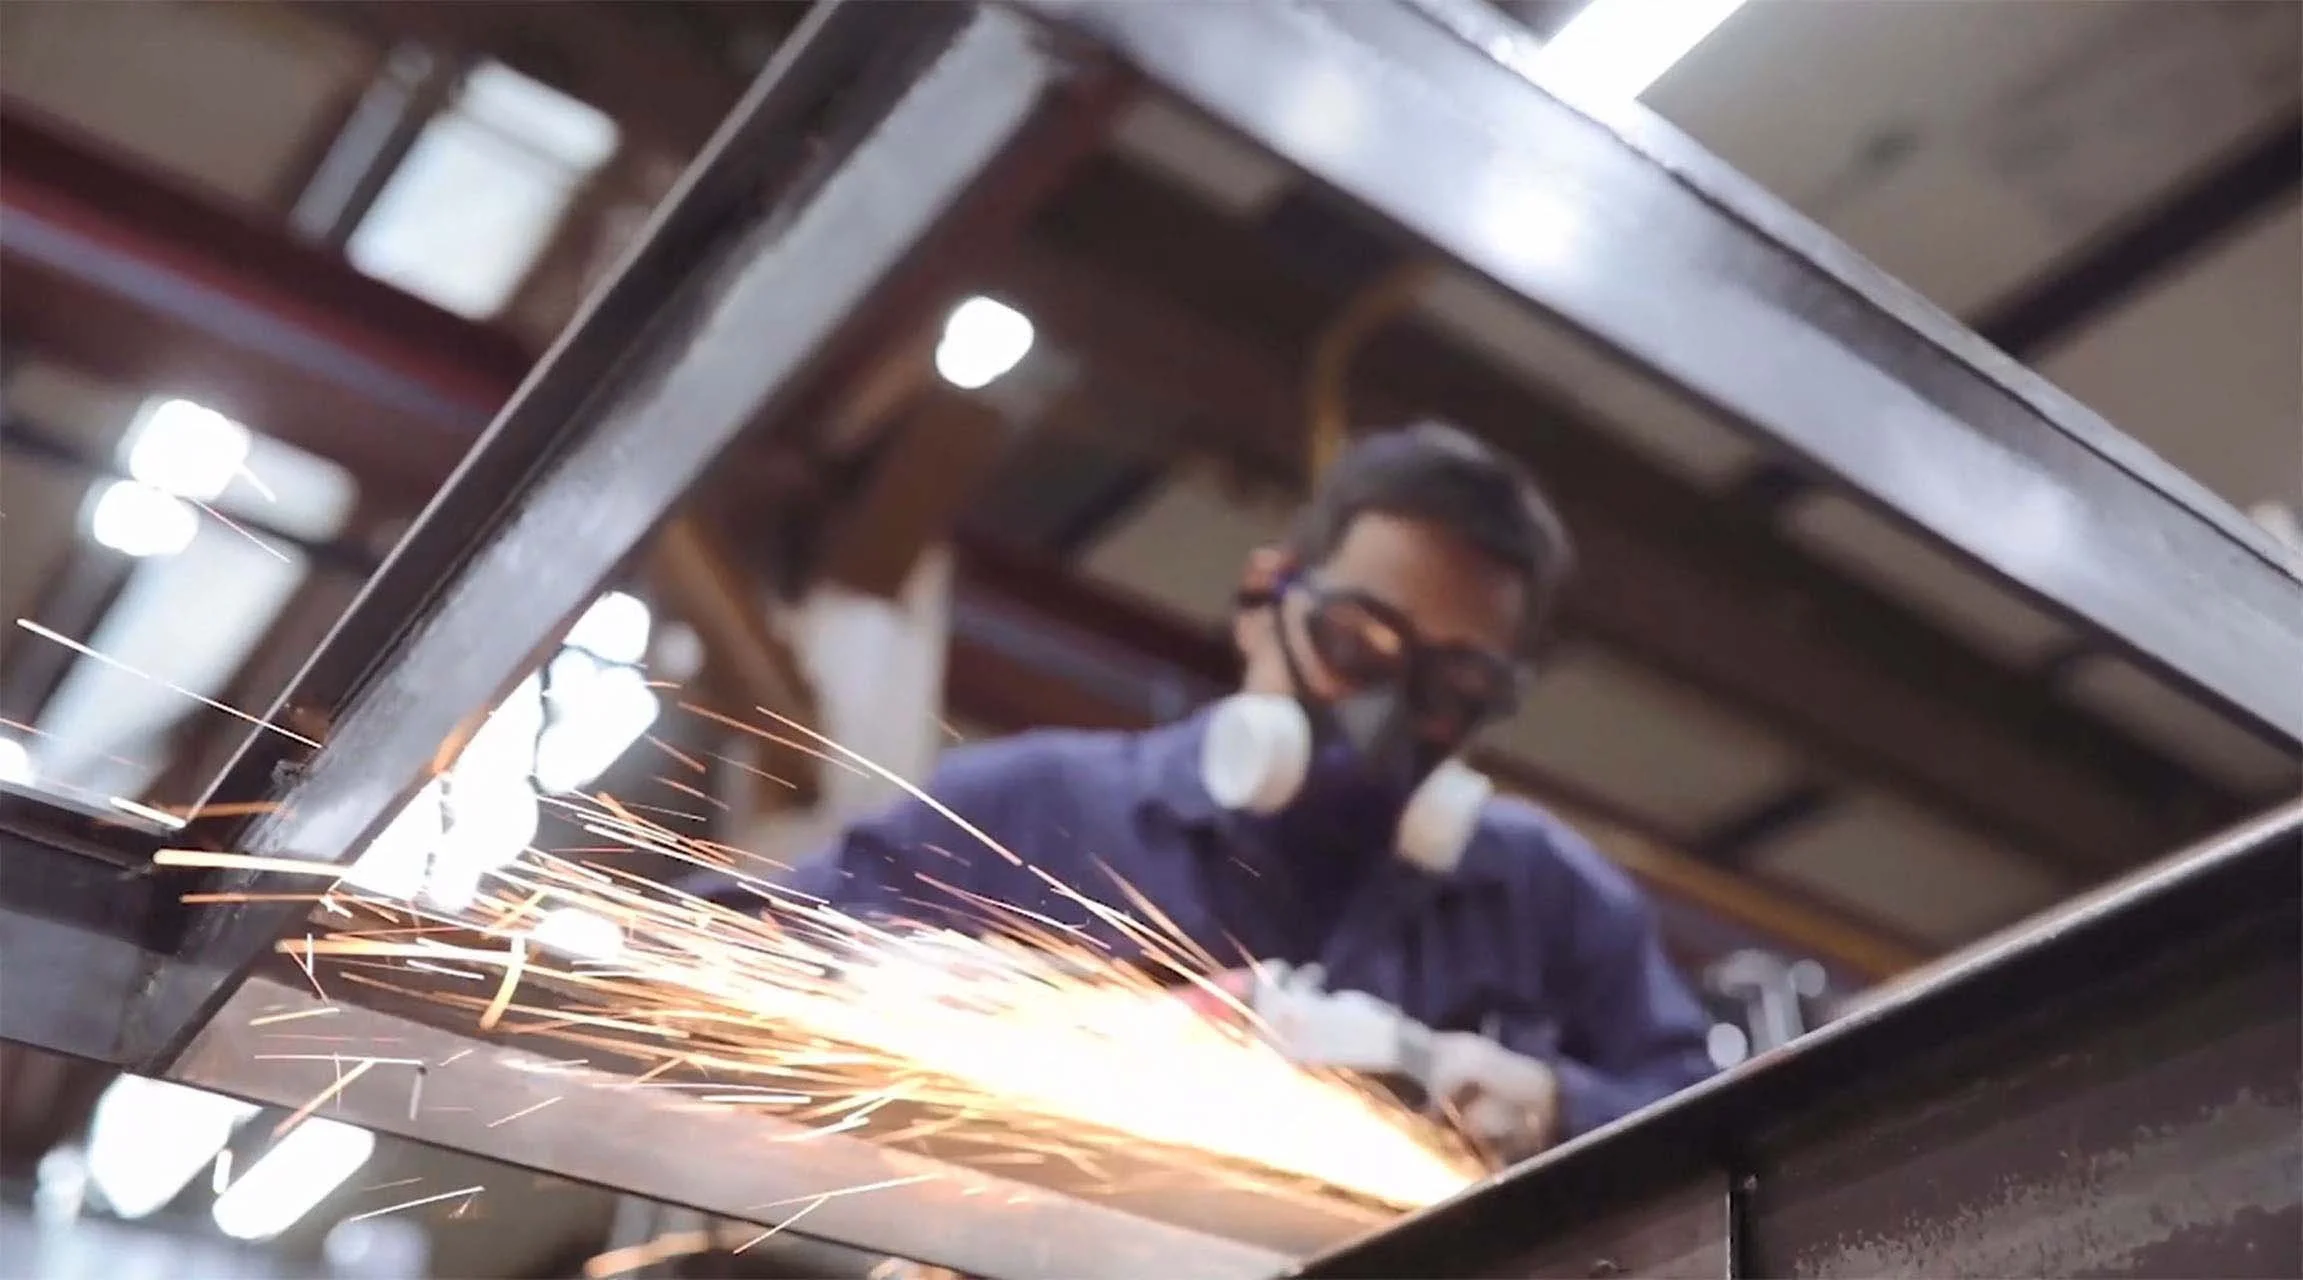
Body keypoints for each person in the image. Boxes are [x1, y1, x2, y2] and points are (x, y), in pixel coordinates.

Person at [724, 422, 1714, 1162]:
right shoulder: (1036, 805)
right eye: (1354, 646)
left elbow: (1716, 1129)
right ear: (1264, 601)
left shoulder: (1544, 896)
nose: (1386, 713)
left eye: (1452, 688)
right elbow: (727, 953)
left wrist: (1547, 1101)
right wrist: (924, 990)